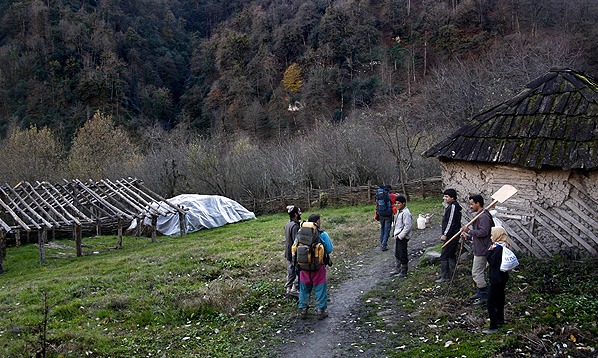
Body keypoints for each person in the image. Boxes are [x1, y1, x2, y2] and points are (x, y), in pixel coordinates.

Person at [297, 213, 334, 320]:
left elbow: (295, 248)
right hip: (318, 266)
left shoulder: (300, 234)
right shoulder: (322, 234)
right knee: (320, 289)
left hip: (303, 267)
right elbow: (329, 249)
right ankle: (321, 311)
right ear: (317, 222)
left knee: (304, 289)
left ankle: (303, 310)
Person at [461, 194, 493, 305]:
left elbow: (484, 232)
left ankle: (483, 294)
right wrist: (468, 236)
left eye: (472, 204)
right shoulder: (479, 215)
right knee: (481, 271)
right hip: (479, 247)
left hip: (483, 249)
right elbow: (477, 234)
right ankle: (481, 291)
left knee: (476, 272)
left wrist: (469, 231)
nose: (470, 206)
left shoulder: (483, 216)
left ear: (478, 203)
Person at [483, 226, 511, 334]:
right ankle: (500, 320)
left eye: (492, 234)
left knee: (491, 302)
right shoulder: (505, 245)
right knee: (500, 300)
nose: (491, 237)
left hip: (496, 278)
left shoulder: (498, 248)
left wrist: (489, 252)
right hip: (503, 278)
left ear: (497, 235)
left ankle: (493, 326)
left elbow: (493, 262)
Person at [436, 189, 462, 283]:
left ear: (452, 197)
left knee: (445, 255)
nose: (444, 198)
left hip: (451, 235)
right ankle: (452, 274)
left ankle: (446, 276)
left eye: (446, 196)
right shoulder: (451, 206)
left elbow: (450, 222)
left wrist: (445, 234)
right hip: (451, 234)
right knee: (450, 254)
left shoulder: (453, 207)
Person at [390, 195, 412, 277]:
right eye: (396, 203)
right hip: (398, 235)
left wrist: (401, 235)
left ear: (404, 204)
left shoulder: (406, 213)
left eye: (399, 203)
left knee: (402, 253)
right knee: (397, 253)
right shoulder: (399, 212)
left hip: (402, 237)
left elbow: (407, 226)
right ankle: (397, 269)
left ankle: (404, 271)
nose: (397, 205)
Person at [284, 205, 301, 297]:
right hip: (294, 253)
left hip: (288, 252)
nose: (300, 213)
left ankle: (288, 288)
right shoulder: (295, 226)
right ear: (295, 214)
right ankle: (294, 289)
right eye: (299, 211)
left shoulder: (288, 224)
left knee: (290, 270)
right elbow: (296, 241)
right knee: (297, 271)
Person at [375, 185, 395, 251]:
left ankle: (382, 243)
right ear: (389, 190)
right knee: (387, 230)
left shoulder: (379, 195)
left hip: (380, 214)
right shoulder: (390, 195)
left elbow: (377, 205)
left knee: (382, 228)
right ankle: (384, 245)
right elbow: (398, 198)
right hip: (388, 215)